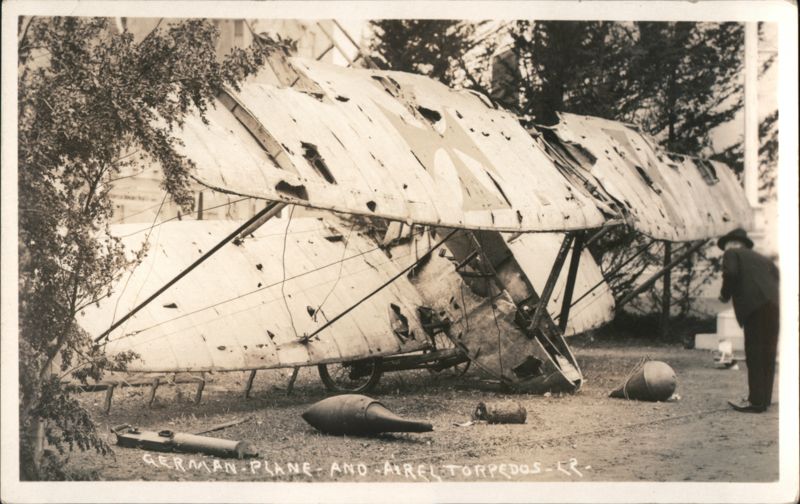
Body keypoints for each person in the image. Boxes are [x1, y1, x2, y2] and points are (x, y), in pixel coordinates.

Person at [717, 228, 780, 413]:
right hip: (775, 306)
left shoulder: (731, 253)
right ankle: (764, 399)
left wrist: (724, 294)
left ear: (732, 244)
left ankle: (756, 402)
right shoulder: (764, 259)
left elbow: (731, 274)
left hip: (754, 307)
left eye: (726, 245)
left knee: (754, 353)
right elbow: (778, 278)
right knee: (768, 352)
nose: (725, 249)